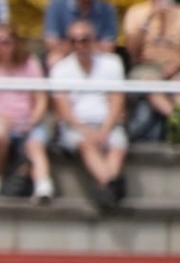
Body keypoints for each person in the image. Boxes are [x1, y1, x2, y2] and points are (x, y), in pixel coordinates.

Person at [48, 19, 130, 210]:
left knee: (117, 145)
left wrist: (104, 130)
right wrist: (86, 130)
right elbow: (63, 109)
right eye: (74, 40)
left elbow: (117, 100)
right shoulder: (60, 69)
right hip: (76, 126)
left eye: (84, 39)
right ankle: (112, 183)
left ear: (93, 40)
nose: (79, 45)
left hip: (108, 122)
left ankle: (105, 187)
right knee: (86, 145)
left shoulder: (112, 63)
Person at [0, 26, 53, 202]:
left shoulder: (30, 63)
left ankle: (43, 187)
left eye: (5, 42)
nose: (0, 47)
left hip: (27, 120)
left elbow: (41, 99)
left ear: (15, 43)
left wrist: (32, 122)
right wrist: (1, 119)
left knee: (35, 143)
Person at [120, 0, 180, 142]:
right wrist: (149, 19)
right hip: (146, 66)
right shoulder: (136, 12)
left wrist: (177, 65)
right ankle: (176, 119)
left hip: (179, 65)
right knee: (151, 82)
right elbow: (132, 52)